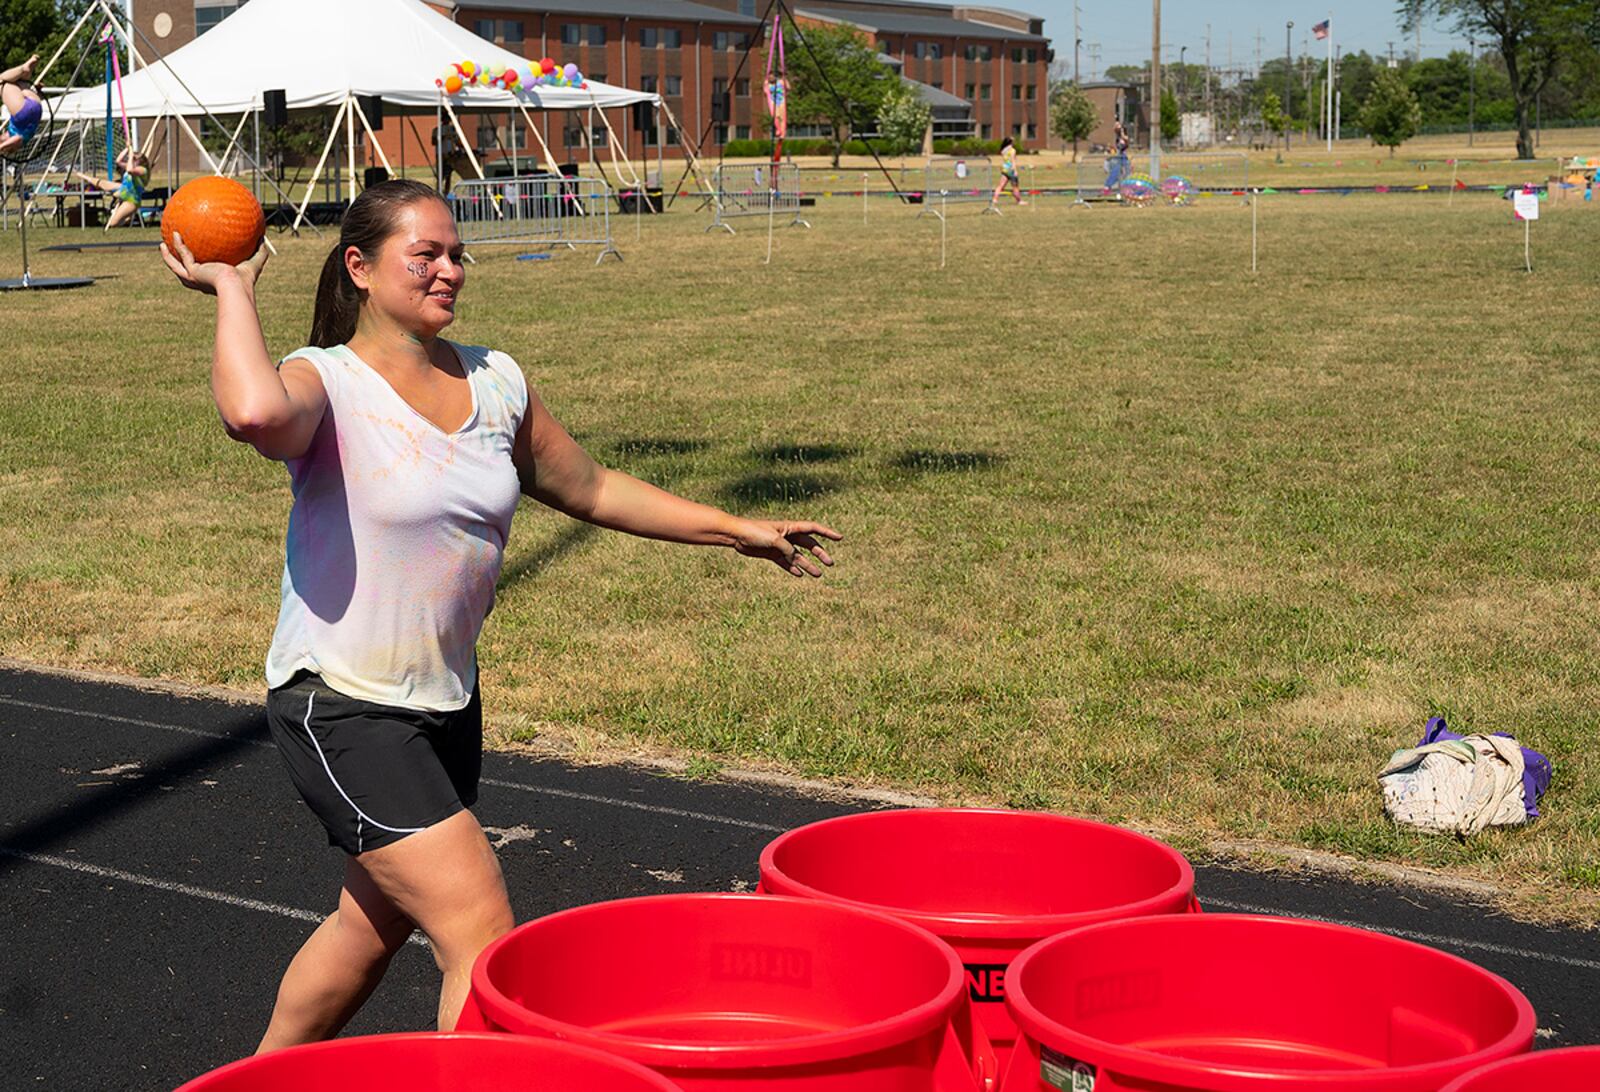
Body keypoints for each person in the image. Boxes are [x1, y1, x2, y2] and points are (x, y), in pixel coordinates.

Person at [159, 179, 842, 1051]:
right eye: (426, 256)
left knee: (370, 928)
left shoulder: (496, 381)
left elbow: (590, 486)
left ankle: (259, 1079)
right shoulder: (324, 380)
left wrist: (736, 530)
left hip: (444, 702)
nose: (449, 272)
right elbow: (253, 411)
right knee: (480, 936)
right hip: (342, 704)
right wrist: (232, 287)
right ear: (360, 268)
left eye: (456, 255)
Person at [73, 149, 150, 230]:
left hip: (131, 200)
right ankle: (84, 176)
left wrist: (131, 156)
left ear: (140, 161)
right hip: (123, 189)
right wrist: (127, 148)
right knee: (102, 183)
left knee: (112, 223)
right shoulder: (131, 166)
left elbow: (130, 170)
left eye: (134, 159)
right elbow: (118, 161)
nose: (130, 160)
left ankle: (128, 218)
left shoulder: (143, 170)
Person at [0, 54, 44, 158]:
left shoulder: (23, 135)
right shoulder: (17, 140)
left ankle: (27, 69)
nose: (1, 135)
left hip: (36, 106)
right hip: (23, 112)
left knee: (19, 81)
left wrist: (37, 91)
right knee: (1, 81)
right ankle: (24, 68)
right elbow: (17, 138)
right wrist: (1, 147)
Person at [991, 136, 1025, 207]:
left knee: (1000, 186)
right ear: (1011, 142)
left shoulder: (1003, 150)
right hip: (1011, 170)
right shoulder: (1012, 150)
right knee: (1015, 186)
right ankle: (1019, 201)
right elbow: (1013, 161)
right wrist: (1015, 170)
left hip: (1005, 169)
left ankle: (995, 199)